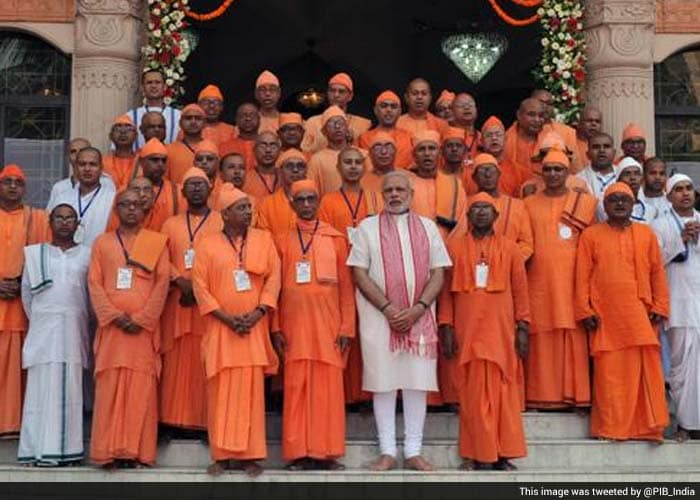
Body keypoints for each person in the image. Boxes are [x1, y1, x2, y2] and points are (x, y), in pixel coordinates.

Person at [347, 170, 452, 471]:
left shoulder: (428, 227)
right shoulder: (366, 228)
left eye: (400, 189)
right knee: (384, 383)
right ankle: (388, 451)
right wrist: (388, 308)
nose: (394, 194)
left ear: (411, 194)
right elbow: (359, 272)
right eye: (389, 190)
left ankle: (414, 450)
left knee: (416, 383)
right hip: (380, 318)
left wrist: (418, 308)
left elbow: (439, 272)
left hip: (420, 318)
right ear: (382, 194)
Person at [191, 184, 280, 477]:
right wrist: (227, 318)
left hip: (253, 328)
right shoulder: (206, 244)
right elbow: (199, 286)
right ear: (226, 214)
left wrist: (257, 313)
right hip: (221, 329)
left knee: (252, 395)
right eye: (241, 208)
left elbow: (273, 280)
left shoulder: (264, 240)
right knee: (219, 394)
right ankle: (222, 455)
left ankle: (250, 456)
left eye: (249, 207)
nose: (248, 213)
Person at [438, 191, 529, 471]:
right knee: (473, 396)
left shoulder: (511, 248)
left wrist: (523, 327)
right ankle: (476, 454)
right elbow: (446, 293)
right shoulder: (453, 248)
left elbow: (521, 291)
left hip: (501, 332)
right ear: (467, 216)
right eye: (475, 208)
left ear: (497, 215)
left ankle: (502, 454)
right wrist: (446, 326)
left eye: (486, 208)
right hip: (467, 333)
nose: (480, 213)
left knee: (503, 394)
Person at [575, 182, 669, 442]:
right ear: (604, 206)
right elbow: (582, 276)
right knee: (610, 375)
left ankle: (648, 428)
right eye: (613, 199)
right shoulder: (591, 235)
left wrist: (660, 306)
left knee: (645, 373)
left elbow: (657, 273)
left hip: (640, 314)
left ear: (633, 204)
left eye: (624, 199)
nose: (618, 203)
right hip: (605, 314)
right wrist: (584, 309)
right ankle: (612, 428)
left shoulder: (646, 233)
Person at [271, 179, 355, 470]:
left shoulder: (336, 239)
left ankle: (326, 452)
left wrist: (347, 328)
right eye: (301, 200)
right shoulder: (281, 240)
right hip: (294, 329)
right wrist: (276, 327)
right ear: (292, 204)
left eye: (311, 199)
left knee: (328, 391)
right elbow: (274, 289)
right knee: (297, 389)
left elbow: (346, 288)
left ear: (318, 202)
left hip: (329, 328)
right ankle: (298, 452)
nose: (306, 205)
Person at [88, 189, 170, 468]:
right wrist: (113, 316)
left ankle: (138, 452)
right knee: (109, 389)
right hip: (112, 331)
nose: (132, 209)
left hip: (142, 332)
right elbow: (94, 283)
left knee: (141, 390)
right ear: (116, 210)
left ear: (145, 211)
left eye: (137, 205)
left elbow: (163, 283)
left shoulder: (157, 242)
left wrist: (144, 318)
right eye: (126, 205)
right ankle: (107, 452)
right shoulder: (102, 243)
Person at [523, 150, 597, 410]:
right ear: (541, 174)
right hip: (538, 282)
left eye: (558, 169)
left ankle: (576, 395)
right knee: (541, 335)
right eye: (549, 169)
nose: (553, 174)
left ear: (568, 173)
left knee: (572, 335)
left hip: (573, 282)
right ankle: (540, 395)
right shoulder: (528, 204)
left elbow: (594, 245)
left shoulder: (585, 203)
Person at [18, 203, 91, 466]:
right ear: (50, 221)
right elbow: (27, 295)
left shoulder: (87, 255)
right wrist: (44, 318)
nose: (64, 223)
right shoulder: (35, 255)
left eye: (69, 218)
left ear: (77, 224)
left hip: (73, 331)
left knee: (71, 392)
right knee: (39, 391)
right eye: (59, 218)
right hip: (43, 333)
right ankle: (36, 450)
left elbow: (90, 296)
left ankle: (67, 452)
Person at [159, 167, 223, 433]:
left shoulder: (222, 221)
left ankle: (205, 421)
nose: (196, 189)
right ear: (182, 191)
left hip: (210, 305)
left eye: (201, 184)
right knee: (177, 362)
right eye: (191, 185)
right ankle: (174, 420)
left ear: (210, 189)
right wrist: (180, 281)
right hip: (178, 300)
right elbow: (162, 259)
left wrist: (198, 288)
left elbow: (228, 259)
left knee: (205, 360)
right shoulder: (170, 224)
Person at [0, 164, 49, 439]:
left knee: (17, 367)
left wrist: (23, 285)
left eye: (18, 182)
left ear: (25, 188)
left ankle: (12, 424)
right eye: (7, 182)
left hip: (22, 305)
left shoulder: (37, 219)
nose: (12, 187)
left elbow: (47, 257)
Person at [318, 147, 370, 405]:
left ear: (364, 167)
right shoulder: (327, 201)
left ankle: (367, 393)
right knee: (343, 331)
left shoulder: (374, 198)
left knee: (367, 334)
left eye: (357, 162)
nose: (352, 167)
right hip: (340, 274)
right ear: (338, 167)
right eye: (347, 162)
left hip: (370, 275)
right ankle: (346, 396)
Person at [652, 174, 700, 441]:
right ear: (668, 196)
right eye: (678, 189)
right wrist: (680, 240)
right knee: (681, 371)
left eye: (688, 188)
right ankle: (685, 424)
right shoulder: (659, 225)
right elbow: (652, 262)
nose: (685, 193)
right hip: (677, 306)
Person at [47, 147, 116, 248]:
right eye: (82, 164)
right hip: (65, 258)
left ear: (101, 168)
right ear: (75, 167)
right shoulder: (62, 197)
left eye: (93, 164)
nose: (87, 169)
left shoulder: (112, 198)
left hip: (98, 257)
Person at [409, 130, 467, 239]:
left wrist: (447, 250)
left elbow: (461, 225)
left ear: (440, 153)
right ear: (414, 155)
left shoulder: (455, 185)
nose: (427, 153)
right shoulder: (407, 186)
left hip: (446, 248)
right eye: (422, 149)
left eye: (431, 148)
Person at [301, 73, 371, 153]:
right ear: (327, 93)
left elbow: (366, 155)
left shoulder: (362, 124)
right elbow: (305, 154)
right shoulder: (312, 122)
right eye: (332, 90)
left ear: (350, 96)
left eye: (341, 91)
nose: (336, 95)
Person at [256, 149, 307, 237]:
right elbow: (264, 238)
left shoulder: (314, 202)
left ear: (306, 172)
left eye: (300, 166)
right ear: (280, 171)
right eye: (289, 166)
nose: (295, 170)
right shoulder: (267, 204)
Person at [474, 116, 529, 198]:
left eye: (498, 134)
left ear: (505, 139)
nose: (494, 138)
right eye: (489, 135)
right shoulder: (472, 170)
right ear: (481, 141)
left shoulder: (520, 171)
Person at [307, 106, 354, 197]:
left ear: (347, 128)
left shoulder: (363, 155)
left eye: (340, 122)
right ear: (324, 131)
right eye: (331, 123)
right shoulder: (316, 160)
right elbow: (312, 193)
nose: (337, 126)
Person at [138, 138, 184, 231]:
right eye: (154, 160)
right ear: (141, 162)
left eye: (163, 161)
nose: (160, 164)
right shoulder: (128, 190)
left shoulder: (177, 191)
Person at [359, 91, 413, 169]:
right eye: (384, 106)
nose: (389, 110)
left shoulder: (409, 137)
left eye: (393, 106)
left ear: (400, 112)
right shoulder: (364, 138)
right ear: (375, 110)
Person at [127, 69, 181, 148]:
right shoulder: (130, 117)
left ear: (165, 87)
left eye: (157, 82)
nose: (153, 86)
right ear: (142, 87)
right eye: (149, 82)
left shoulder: (178, 116)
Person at [531, 89, 582, 172]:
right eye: (541, 102)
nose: (545, 107)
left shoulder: (567, 132)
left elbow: (575, 167)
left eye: (549, 104)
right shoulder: (519, 130)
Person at [577, 132, 618, 221]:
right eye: (596, 147)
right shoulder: (578, 180)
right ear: (587, 154)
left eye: (606, 146)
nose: (601, 150)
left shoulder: (625, 174)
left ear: (614, 152)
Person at [360, 132, 402, 215]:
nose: (383, 152)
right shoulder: (360, 181)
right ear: (370, 154)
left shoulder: (408, 178)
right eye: (378, 147)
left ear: (395, 152)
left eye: (388, 147)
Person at [503, 98, 546, 177]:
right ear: (519, 115)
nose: (537, 120)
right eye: (531, 115)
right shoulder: (504, 141)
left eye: (541, 116)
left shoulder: (552, 141)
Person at [167, 104, 206, 184]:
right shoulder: (169, 149)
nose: (193, 121)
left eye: (198, 118)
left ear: (204, 123)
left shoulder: (211, 148)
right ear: (180, 123)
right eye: (188, 118)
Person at [220, 103, 261, 171]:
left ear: (259, 119)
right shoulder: (225, 147)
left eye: (252, 115)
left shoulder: (266, 146)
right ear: (236, 120)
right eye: (243, 115)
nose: (248, 118)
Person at [242, 131, 282, 199]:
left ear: (279, 151)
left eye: (273, 146)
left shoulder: (285, 177)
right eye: (263, 145)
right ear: (254, 150)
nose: (268, 150)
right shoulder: (244, 179)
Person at [617, 157, 657, 224]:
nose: (632, 178)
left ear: (642, 179)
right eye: (627, 174)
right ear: (618, 180)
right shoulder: (615, 209)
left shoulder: (651, 210)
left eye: (636, 173)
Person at [103, 115, 138, 191]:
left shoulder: (141, 162)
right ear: (110, 136)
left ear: (136, 136)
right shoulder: (102, 163)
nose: (123, 132)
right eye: (118, 128)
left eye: (128, 128)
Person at [450, 93, 480, 163]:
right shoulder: (447, 137)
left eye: (470, 105)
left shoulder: (482, 138)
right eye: (461, 105)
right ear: (452, 112)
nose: (466, 108)